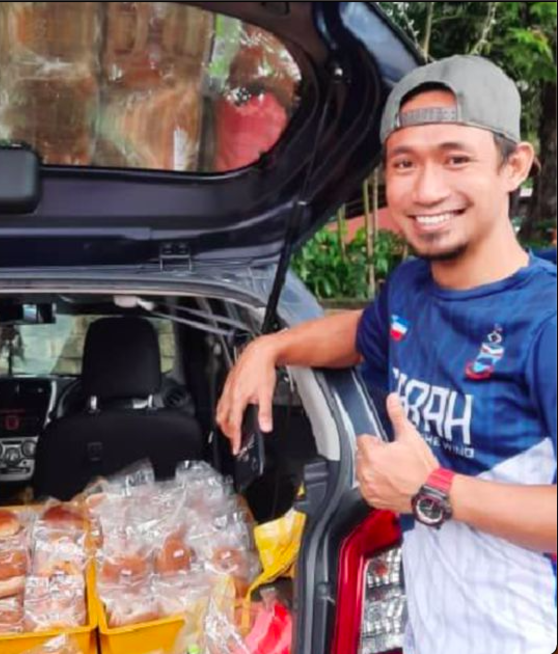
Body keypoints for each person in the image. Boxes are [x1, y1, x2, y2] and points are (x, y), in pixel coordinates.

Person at [216, 55, 557, 653]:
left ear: (514, 166)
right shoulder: (410, 292)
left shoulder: (545, 322)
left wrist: (432, 489)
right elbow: (357, 333)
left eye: (456, 158)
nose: (427, 189)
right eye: (405, 163)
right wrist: (267, 348)